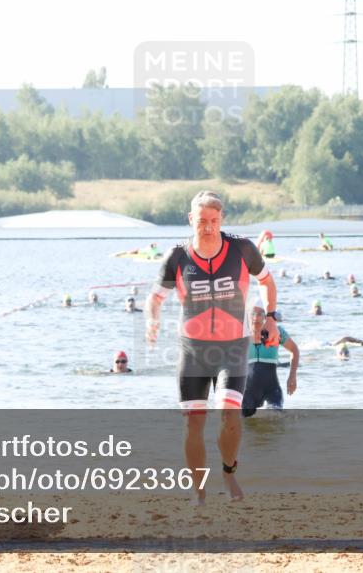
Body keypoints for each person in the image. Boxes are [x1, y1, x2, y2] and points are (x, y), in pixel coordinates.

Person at [146, 191, 278, 505]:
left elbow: (267, 282)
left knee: (230, 414)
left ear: (222, 220)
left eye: (214, 221)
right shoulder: (177, 256)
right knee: (193, 421)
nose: (208, 227)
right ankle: (199, 489)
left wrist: (271, 317)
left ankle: (229, 472)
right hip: (193, 350)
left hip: (232, 348)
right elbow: (155, 298)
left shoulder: (243, 249)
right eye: (202, 221)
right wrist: (152, 321)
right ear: (191, 219)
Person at [242, 305, 299, 417]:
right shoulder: (241, 335)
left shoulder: (277, 332)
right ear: (248, 317)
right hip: (247, 393)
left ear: (266, 317)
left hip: (272, 391)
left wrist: (292, 376)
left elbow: (294, 350)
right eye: (253, 314)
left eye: (260, 314)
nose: (256, 317)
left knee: (274, 423)